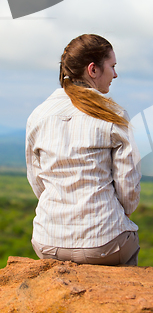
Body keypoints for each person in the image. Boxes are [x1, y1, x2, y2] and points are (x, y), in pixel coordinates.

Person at [26, 34, 141, 265]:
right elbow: (128, 188)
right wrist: (122, 213)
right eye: (112, 66)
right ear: (93, 69)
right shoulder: (113, 113)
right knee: (128, 243)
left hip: (47, 241)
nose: (115, 74)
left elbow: (38, 183)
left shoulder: (38, 114)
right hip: (104, 243)